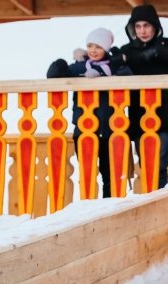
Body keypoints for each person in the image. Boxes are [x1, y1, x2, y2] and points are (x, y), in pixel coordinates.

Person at [109, 4, 168, 189]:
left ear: (155, 27)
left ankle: (160, 201)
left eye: (146, 25)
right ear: (132, 29)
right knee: (146, 164)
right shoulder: (127, 50)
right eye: (138, 26)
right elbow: (108, 67)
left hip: (165, 116)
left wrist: (157, 51)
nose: (142, 31)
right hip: (139, 117)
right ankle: (152, 201)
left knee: (160, 165)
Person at [47, 28, 129, 198]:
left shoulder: (114, 66)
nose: (93, 50)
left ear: (106, 49)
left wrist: (102, 72)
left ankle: (108, 207)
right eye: (90, 46)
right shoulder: (79, 66)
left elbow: (127, 75)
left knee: (109, 174)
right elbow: (53, 75)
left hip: (110, 129)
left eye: (98, 47)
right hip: (84, 128)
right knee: (87, 173)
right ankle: (88, 208)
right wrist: (60, 63)